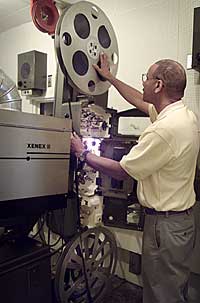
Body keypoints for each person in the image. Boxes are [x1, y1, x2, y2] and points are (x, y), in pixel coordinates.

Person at [71, 53, 200, 303]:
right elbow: (139, 100)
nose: (143, 82)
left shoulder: (164, 130)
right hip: (181, 223)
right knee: (174, 289)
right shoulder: (183, 115)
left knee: (161, 294)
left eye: (146, 77)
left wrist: (83, 152)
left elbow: (122, 170)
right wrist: (110, 78)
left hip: (165, 227)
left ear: (158, 85)